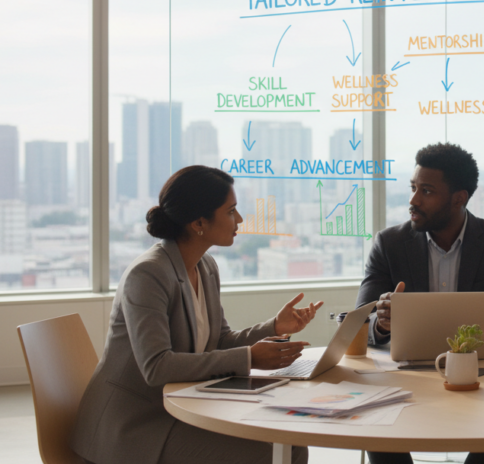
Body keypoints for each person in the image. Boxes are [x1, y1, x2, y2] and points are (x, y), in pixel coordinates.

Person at [71, 166, 322, 464]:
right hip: (137, 426)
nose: (239, 219)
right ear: (199, 222)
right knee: (270, 452)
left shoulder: (206, 267)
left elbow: (219, 339)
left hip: (177, 408)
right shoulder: (148, 274)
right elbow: (157, 367)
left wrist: (275, 326)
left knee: (293, 444)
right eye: (231, 211)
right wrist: (250, 358)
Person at [354, 143, 484, 464]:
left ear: (459, 198)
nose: (413, 200)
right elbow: (360, 320)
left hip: (480, 376)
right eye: (413, 188)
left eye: (426, 191)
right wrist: (381, 323)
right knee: (375, 422)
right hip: (403, 376)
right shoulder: (389, 243)